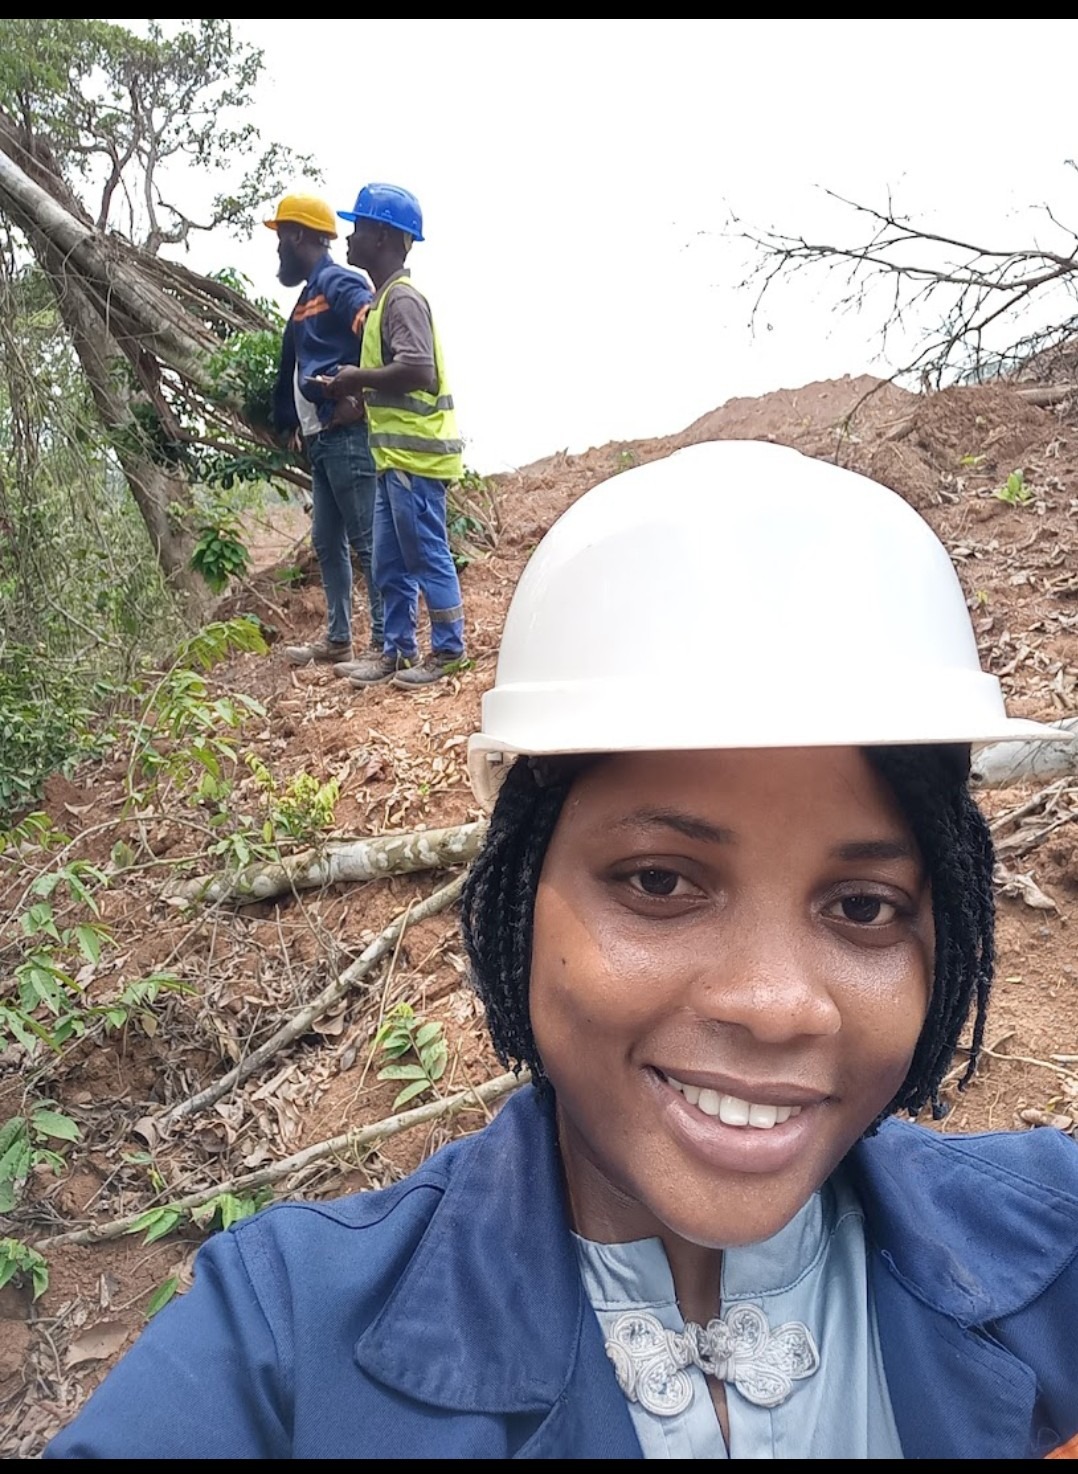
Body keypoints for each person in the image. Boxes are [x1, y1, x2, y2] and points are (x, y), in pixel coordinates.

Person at [45, 442, 1078, 1459]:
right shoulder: (281, 1346)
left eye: (862, 904)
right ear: (517, 898)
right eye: (660, 882)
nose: (774, 1004)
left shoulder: (1055, 1244)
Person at [317, 183, 467, 692]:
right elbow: (396, 378)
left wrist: (356, 379)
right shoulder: (385, 304)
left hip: (416, 462)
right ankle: (397, 651)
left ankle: (449, 650)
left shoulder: (401, 300)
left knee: (425, 554)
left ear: (382, 236)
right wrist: (350, 400)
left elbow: (418, 370)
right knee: (388, 562)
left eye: (359, 227)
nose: (349, 237)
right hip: (394, 460)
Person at [266, 193, 385, 667]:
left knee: (365, 540)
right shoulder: (308, 295)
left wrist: (362, 399)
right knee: (327, 541)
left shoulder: (335, 281)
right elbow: (297, 367)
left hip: (346, 438)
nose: (277, 250)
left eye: (280, 238)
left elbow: (374, 328)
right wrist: (296, 421)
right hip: (323, 440)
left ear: (298, 235)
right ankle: (339, 638)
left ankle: (385, 644)